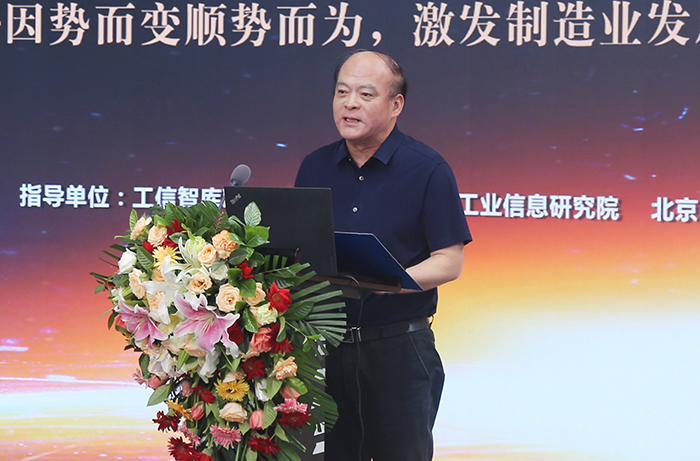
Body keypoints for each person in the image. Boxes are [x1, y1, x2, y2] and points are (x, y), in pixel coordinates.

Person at [294, 50, 472, 461]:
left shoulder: (427, 169)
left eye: (365, 94)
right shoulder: (314, 167)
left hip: (398, 352)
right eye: (342, 92)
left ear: (396, 105)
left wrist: (387, 283)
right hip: (324, 352)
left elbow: (450, 261)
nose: (350, 104)